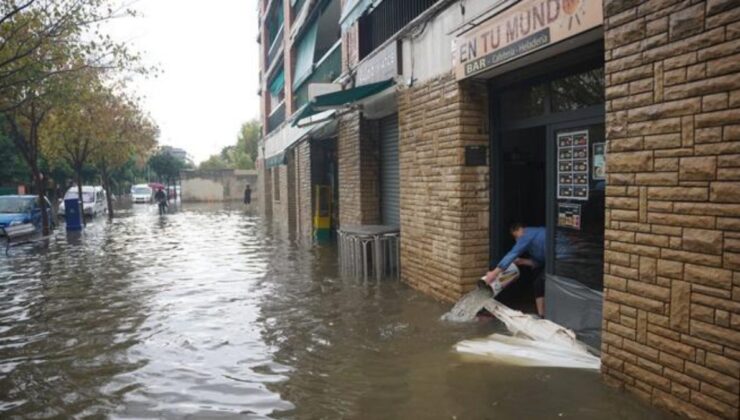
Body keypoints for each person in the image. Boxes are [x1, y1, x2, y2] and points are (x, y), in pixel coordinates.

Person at [484, 222, 547, 317]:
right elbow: (541, 261)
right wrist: (522, 261)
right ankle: (541, 314)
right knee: (538, 280)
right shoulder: (533, 239)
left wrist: (494, 273)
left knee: (539, 282)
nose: (517, 240)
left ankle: (542, 315)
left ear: (519, 230)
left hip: (561, 260)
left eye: (516, 236)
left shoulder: (526, 235)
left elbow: (513, 253)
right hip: (553, 261)